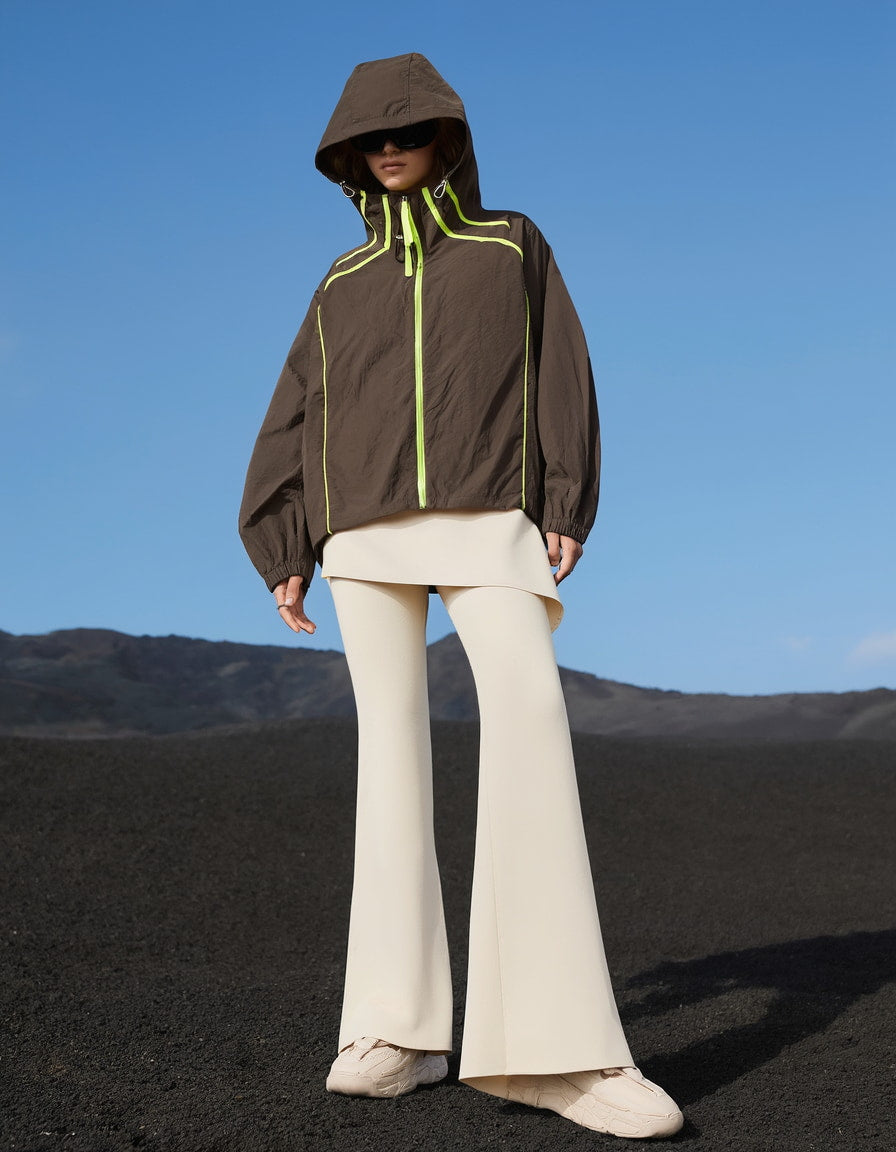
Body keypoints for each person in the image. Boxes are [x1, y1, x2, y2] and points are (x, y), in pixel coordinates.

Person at [239, 52, 684, 1141]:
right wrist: (281, 536)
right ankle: (396, 1027)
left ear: (448, 138)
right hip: (357, 534)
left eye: (408, 131)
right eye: (369, 139)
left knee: (529, 720)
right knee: (387, 756)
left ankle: (556, 1049)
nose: (388, 148)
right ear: (349, 156)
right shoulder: (337, 285)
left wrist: (564, 493)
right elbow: (294, 412)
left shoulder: (510, 246)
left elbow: (560, 368)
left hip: (490, 514)